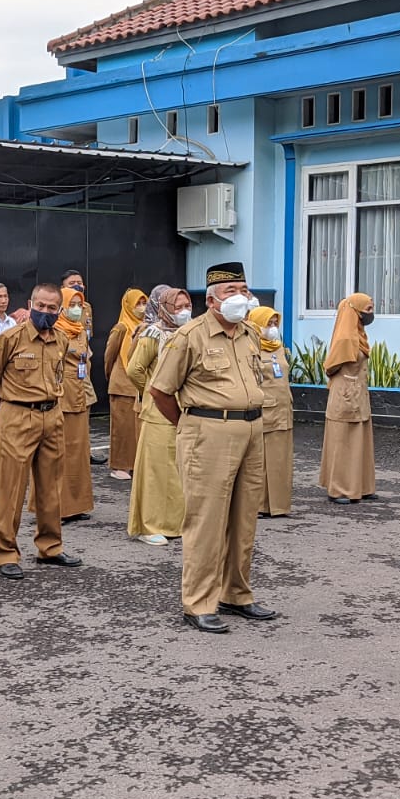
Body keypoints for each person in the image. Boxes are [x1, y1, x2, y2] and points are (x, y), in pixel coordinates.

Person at [149, 262, 277, 634]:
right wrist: (193, 425)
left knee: (244, 518)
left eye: (243, 289)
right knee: (206, 521)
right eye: (230, 292)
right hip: (209, 432)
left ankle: (236, 594)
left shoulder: (250, 334)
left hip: (252, 429)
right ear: (211, 300)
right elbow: (160, 390)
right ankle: (199, 602)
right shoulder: (189, 336)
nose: (240, 297)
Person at [0, 282, 82, 579]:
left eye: (52, 308)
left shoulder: (61, 340)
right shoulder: (9, 339)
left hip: (51, 415)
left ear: (59, 310)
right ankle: (6, 552)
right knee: (10, 488)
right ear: (30, 303)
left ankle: (50, 547)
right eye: (40, 306)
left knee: (50, 487)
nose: (45, 313)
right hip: (17, 416)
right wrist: (14, 403)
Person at [126, 286, 191, 547]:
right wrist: (152, 391)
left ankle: (175, 523)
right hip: (158, 412)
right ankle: (149, 525)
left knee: (178, 471)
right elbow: (135, 370)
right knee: (155, 472)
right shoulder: (152, 334)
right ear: (164, 308)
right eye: (178, 307)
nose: (184, 312)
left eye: (187, 306)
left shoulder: (188, 333)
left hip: (184, 410)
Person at [319, 293, 378, 504]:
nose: (370, 314)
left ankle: (361, 486)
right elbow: (330, 367)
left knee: (360, 439)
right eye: (368, 310)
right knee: (342, 441)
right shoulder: (346, 337)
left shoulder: (359, 334)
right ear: (355, 311)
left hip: (358, 394)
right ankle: (339, 489)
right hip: (345, 394)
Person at [247, 306, 295, 517]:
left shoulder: (278, 347)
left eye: (275, 323)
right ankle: (260, 505)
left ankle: (280, 505)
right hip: (264, 410)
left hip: (284, 409)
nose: (273, 328)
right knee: (262, 461)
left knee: (280, 460)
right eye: (269, 323)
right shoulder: (250, 347)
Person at [54, 287, 96, 521]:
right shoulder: (55, 330)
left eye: (79, 304)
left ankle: (77, 504)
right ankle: (57, 506)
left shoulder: (79, 331)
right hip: (62, 397)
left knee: (79, 451)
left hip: (80, 394)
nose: (77, 309)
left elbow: (86, 360)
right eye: (72, 304)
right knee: (61, 451)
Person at [104, 288, 148, 481]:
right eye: (137, 303)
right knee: (121, 430)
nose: (141, 307)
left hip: (137, 387)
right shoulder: (121, 327)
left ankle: (134, 463)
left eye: (144, 302)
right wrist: (113, 377)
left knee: (136, 430)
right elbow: (109, 356)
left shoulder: (146, 327)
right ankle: (119, 465)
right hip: (121, 385)